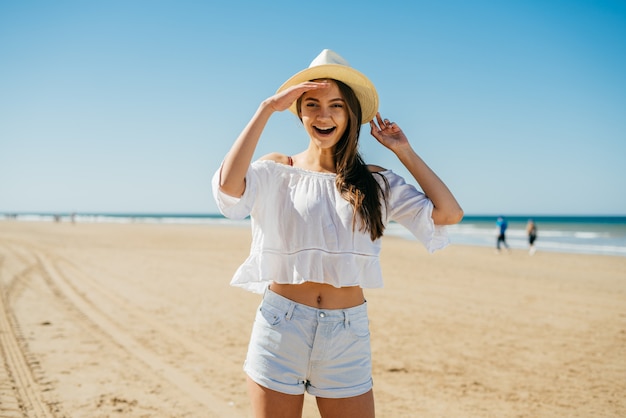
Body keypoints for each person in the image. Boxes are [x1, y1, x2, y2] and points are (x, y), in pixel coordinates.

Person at [211, 49, 463, 418]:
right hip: (281, 327)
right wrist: (266, 108)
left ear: (351, 115)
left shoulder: (376, 182)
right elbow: (229, 187)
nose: (323, 115)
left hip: (347, 333)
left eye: (336, 105)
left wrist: (403, 150)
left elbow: (448, 213)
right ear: (298, 112)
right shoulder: (279, 169)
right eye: (311, 104)